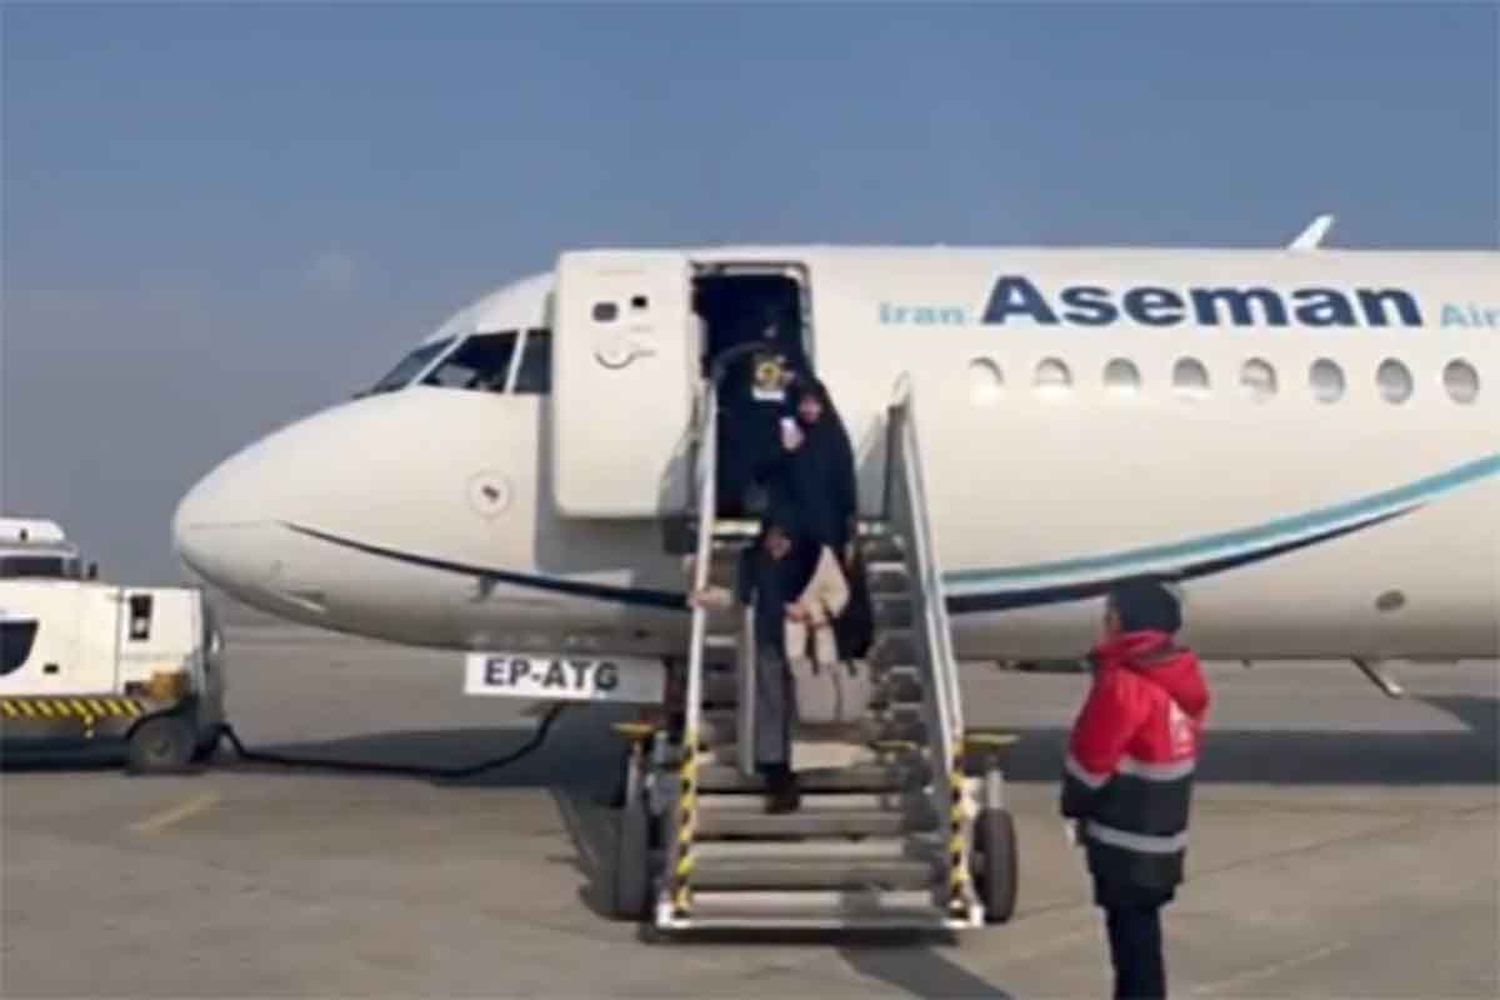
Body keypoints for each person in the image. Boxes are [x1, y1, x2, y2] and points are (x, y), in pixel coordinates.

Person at [1061, 578, 1210, 1000]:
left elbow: (1092, 758)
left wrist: (1073, 803)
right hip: (1163, 834)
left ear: (1126, 622)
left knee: (1131, 949)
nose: (1104, 621)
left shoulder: (1125, 684)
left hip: (1123, 838)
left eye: (1111, 613)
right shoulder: (1179, 678)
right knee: (1143, 939)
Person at [691, 519, 820, 813]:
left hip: (802, 645)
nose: (776, 545)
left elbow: (830, 594)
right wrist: (710, 597)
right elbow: (741, 598)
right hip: (766, 643)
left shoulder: (808, 558)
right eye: (772, 538)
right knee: (771, 707)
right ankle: (778, 776)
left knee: (797, 707)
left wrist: (808, 610)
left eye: (782, 539)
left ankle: (789, 772)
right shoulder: (753, 560)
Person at [773, 377, 858, 559]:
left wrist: (850, 524)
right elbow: (780, 485)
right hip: (794, 531)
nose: (809, 409)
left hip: (829, 528)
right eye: (804, 403)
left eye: (814, 404)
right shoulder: (791, 437)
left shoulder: (833, 437)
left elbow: (845, 481)